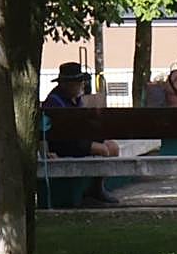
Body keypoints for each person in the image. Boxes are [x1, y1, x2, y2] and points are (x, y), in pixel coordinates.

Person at [42, 62, 121, 206]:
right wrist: (47, 151)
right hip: (65, 144)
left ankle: (96, 188)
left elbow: (83, 125)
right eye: (78, 83)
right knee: (102, 149)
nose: (81, 85)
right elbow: (44, 129)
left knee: (113, 147)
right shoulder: (54, 102)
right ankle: (92, 193)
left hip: (79, 140)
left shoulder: (76, 100)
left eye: (81, 82)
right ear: (66, 84)